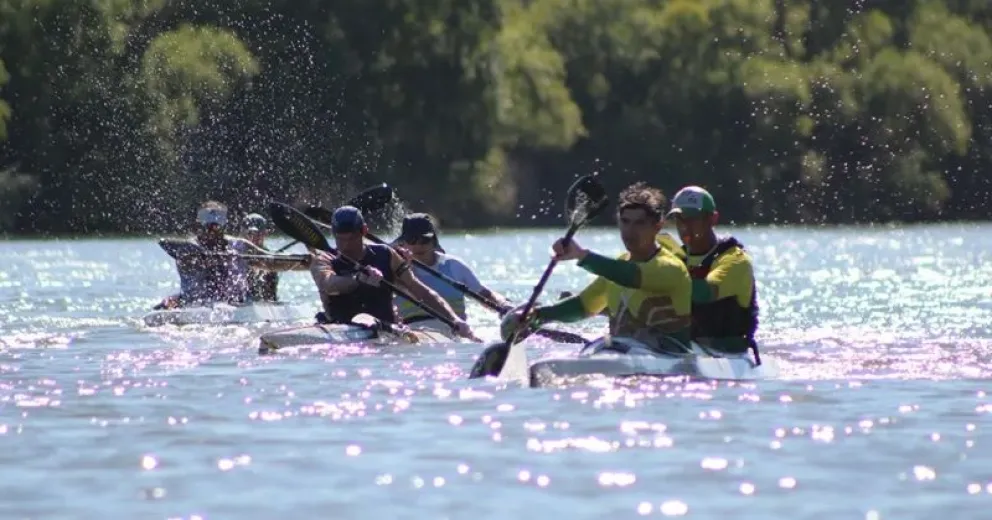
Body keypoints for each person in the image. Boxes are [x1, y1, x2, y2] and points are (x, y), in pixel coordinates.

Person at [505, 182, 693, 352]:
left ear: (657, 227)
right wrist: (537, 315)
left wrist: (581, 255)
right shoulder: (619, 264)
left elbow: (630, 276)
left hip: (670, 356)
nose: (630, 232)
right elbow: (583, 306)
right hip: (622, 353)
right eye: (625, 222)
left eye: (639, 223)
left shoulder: (671, 268)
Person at [308, 205, 478, 340]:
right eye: (340, 239)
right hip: (340, 330)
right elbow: (329, 284)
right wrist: (358, 279)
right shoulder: (323, 260)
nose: (346, 245)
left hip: (387, 332)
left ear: (364, 231)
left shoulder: (386, 254)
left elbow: (419, 290)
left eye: (352, 238)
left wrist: (454, 319)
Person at [154, 202, 305, 309]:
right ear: (198, 226)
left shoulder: (239, 246)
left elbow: (272, 262)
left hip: (236, 305)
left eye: (216, 227)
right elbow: (163, 242)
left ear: (223, 225)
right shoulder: (187, 248)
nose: (212, 231)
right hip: (194, 305)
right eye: (208, 227)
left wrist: (309, 262)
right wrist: (204, 258)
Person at [665, 186, 759, 355]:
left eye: (693, 219)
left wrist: (651, 279)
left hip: (728, 351)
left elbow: (705, 293)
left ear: (712, 219)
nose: (685, 226)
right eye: (680, 219)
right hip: (685, 347)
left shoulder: (736, 260)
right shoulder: (672, 258)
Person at [392, 213, 509, 323]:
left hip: (454, 334)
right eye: (412, 240)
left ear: (434, 241)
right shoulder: (394, 269)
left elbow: (485, 294)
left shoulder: (454, 266)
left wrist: (503, 305)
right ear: (403, 243)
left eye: (424, 240)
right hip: (412, 334)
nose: (418, 246)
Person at [242, 213, 280, 302]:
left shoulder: (268, 254)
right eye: (251, 233)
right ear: (243, 233)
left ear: (265, 233)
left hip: (262, 300)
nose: (255, 237)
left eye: (259, 233)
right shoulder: (236, 250)